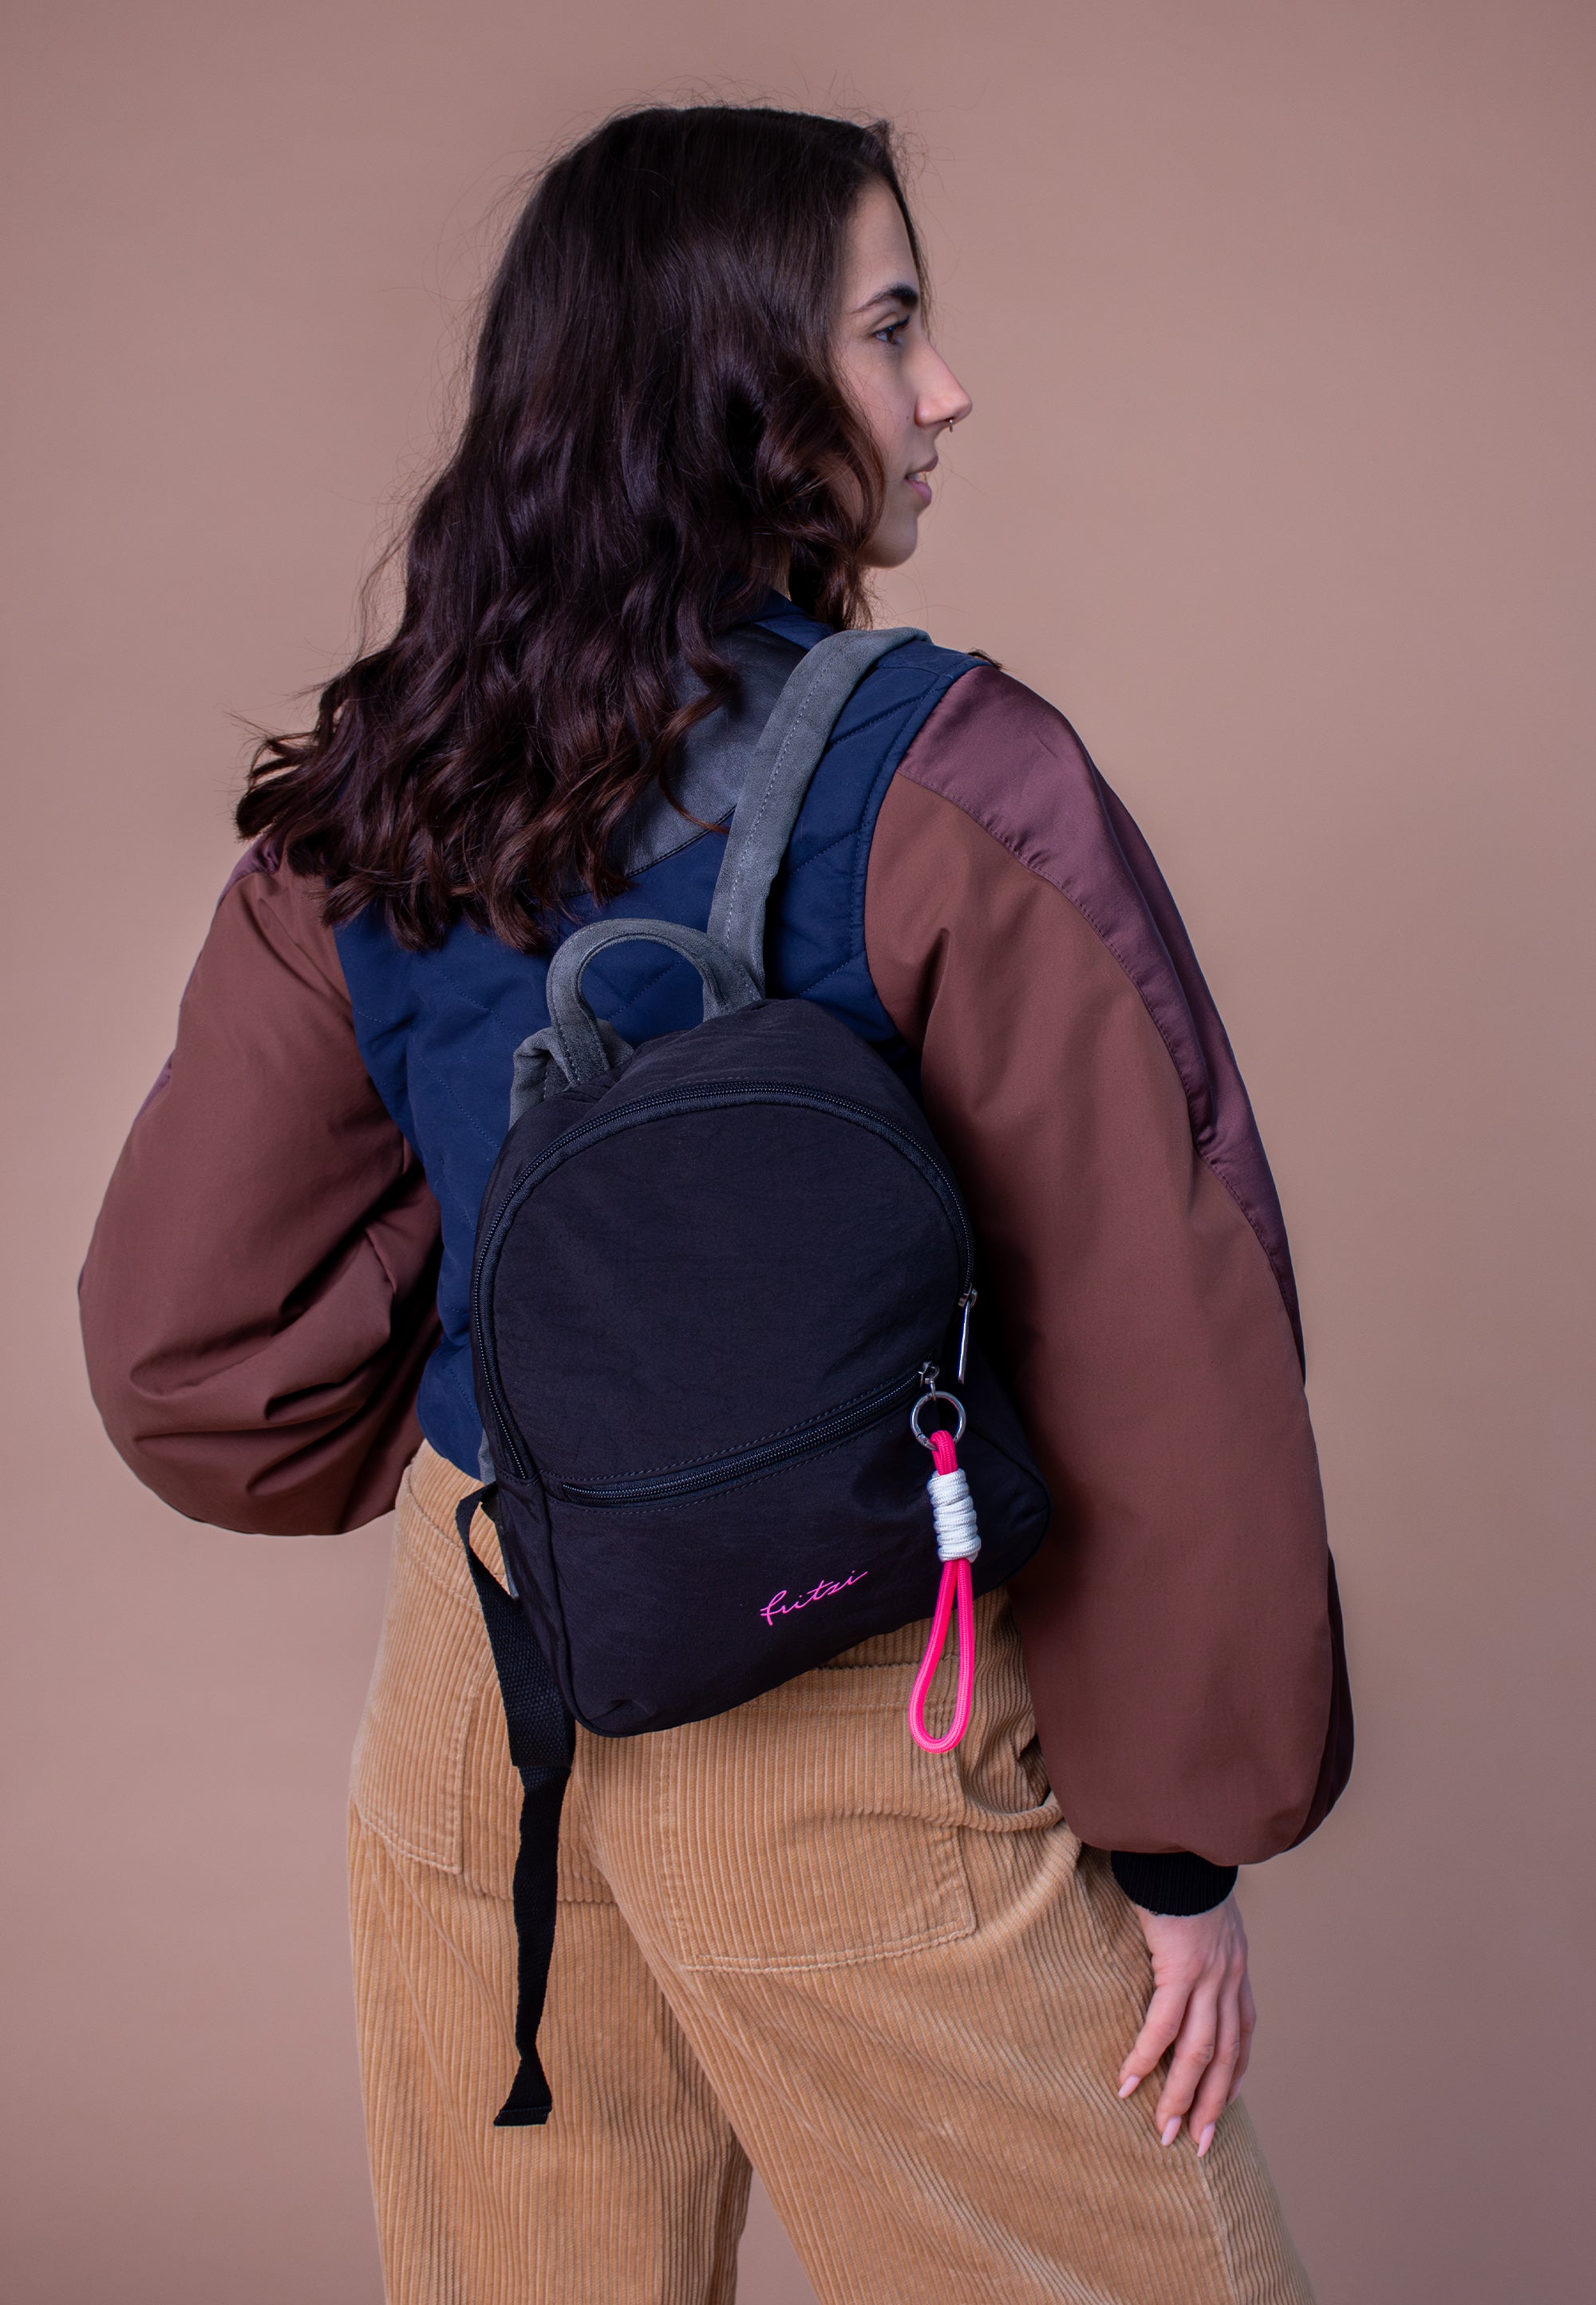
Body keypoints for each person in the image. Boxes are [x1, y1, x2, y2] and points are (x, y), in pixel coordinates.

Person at [81, 104, 1349, 2305]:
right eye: (890, 328)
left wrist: (519, 1279)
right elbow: (1157, 1324)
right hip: (848, 1697)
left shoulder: (384, 799)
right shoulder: (953, 782)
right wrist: (1178, 1842)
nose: (944, 390)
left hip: (481, 1696)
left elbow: (188, 1341)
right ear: (740, 386)